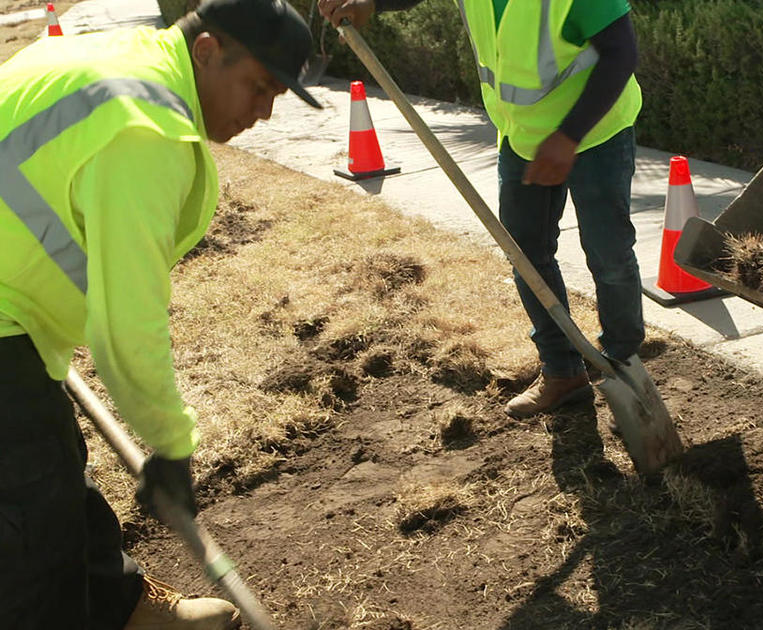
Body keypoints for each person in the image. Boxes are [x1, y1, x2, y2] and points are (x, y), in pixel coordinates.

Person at [0, 0, 320, 627]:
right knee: (34, 534)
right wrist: (173, 445)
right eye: (257, 87)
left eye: (277, 94)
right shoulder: (145, 129)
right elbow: (126, 325)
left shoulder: (115, 57)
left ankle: (123, 610)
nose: (264, 112)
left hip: (15, 314)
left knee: (50, 466)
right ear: (208, 52)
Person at [320, 0, 644, 418]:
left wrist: (568, 137)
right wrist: (371, 4)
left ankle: (625, 374)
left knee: (609, 254)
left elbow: (621, 53)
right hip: (522, 135)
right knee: (526, 256)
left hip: (596, 132)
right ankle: (562, 372)